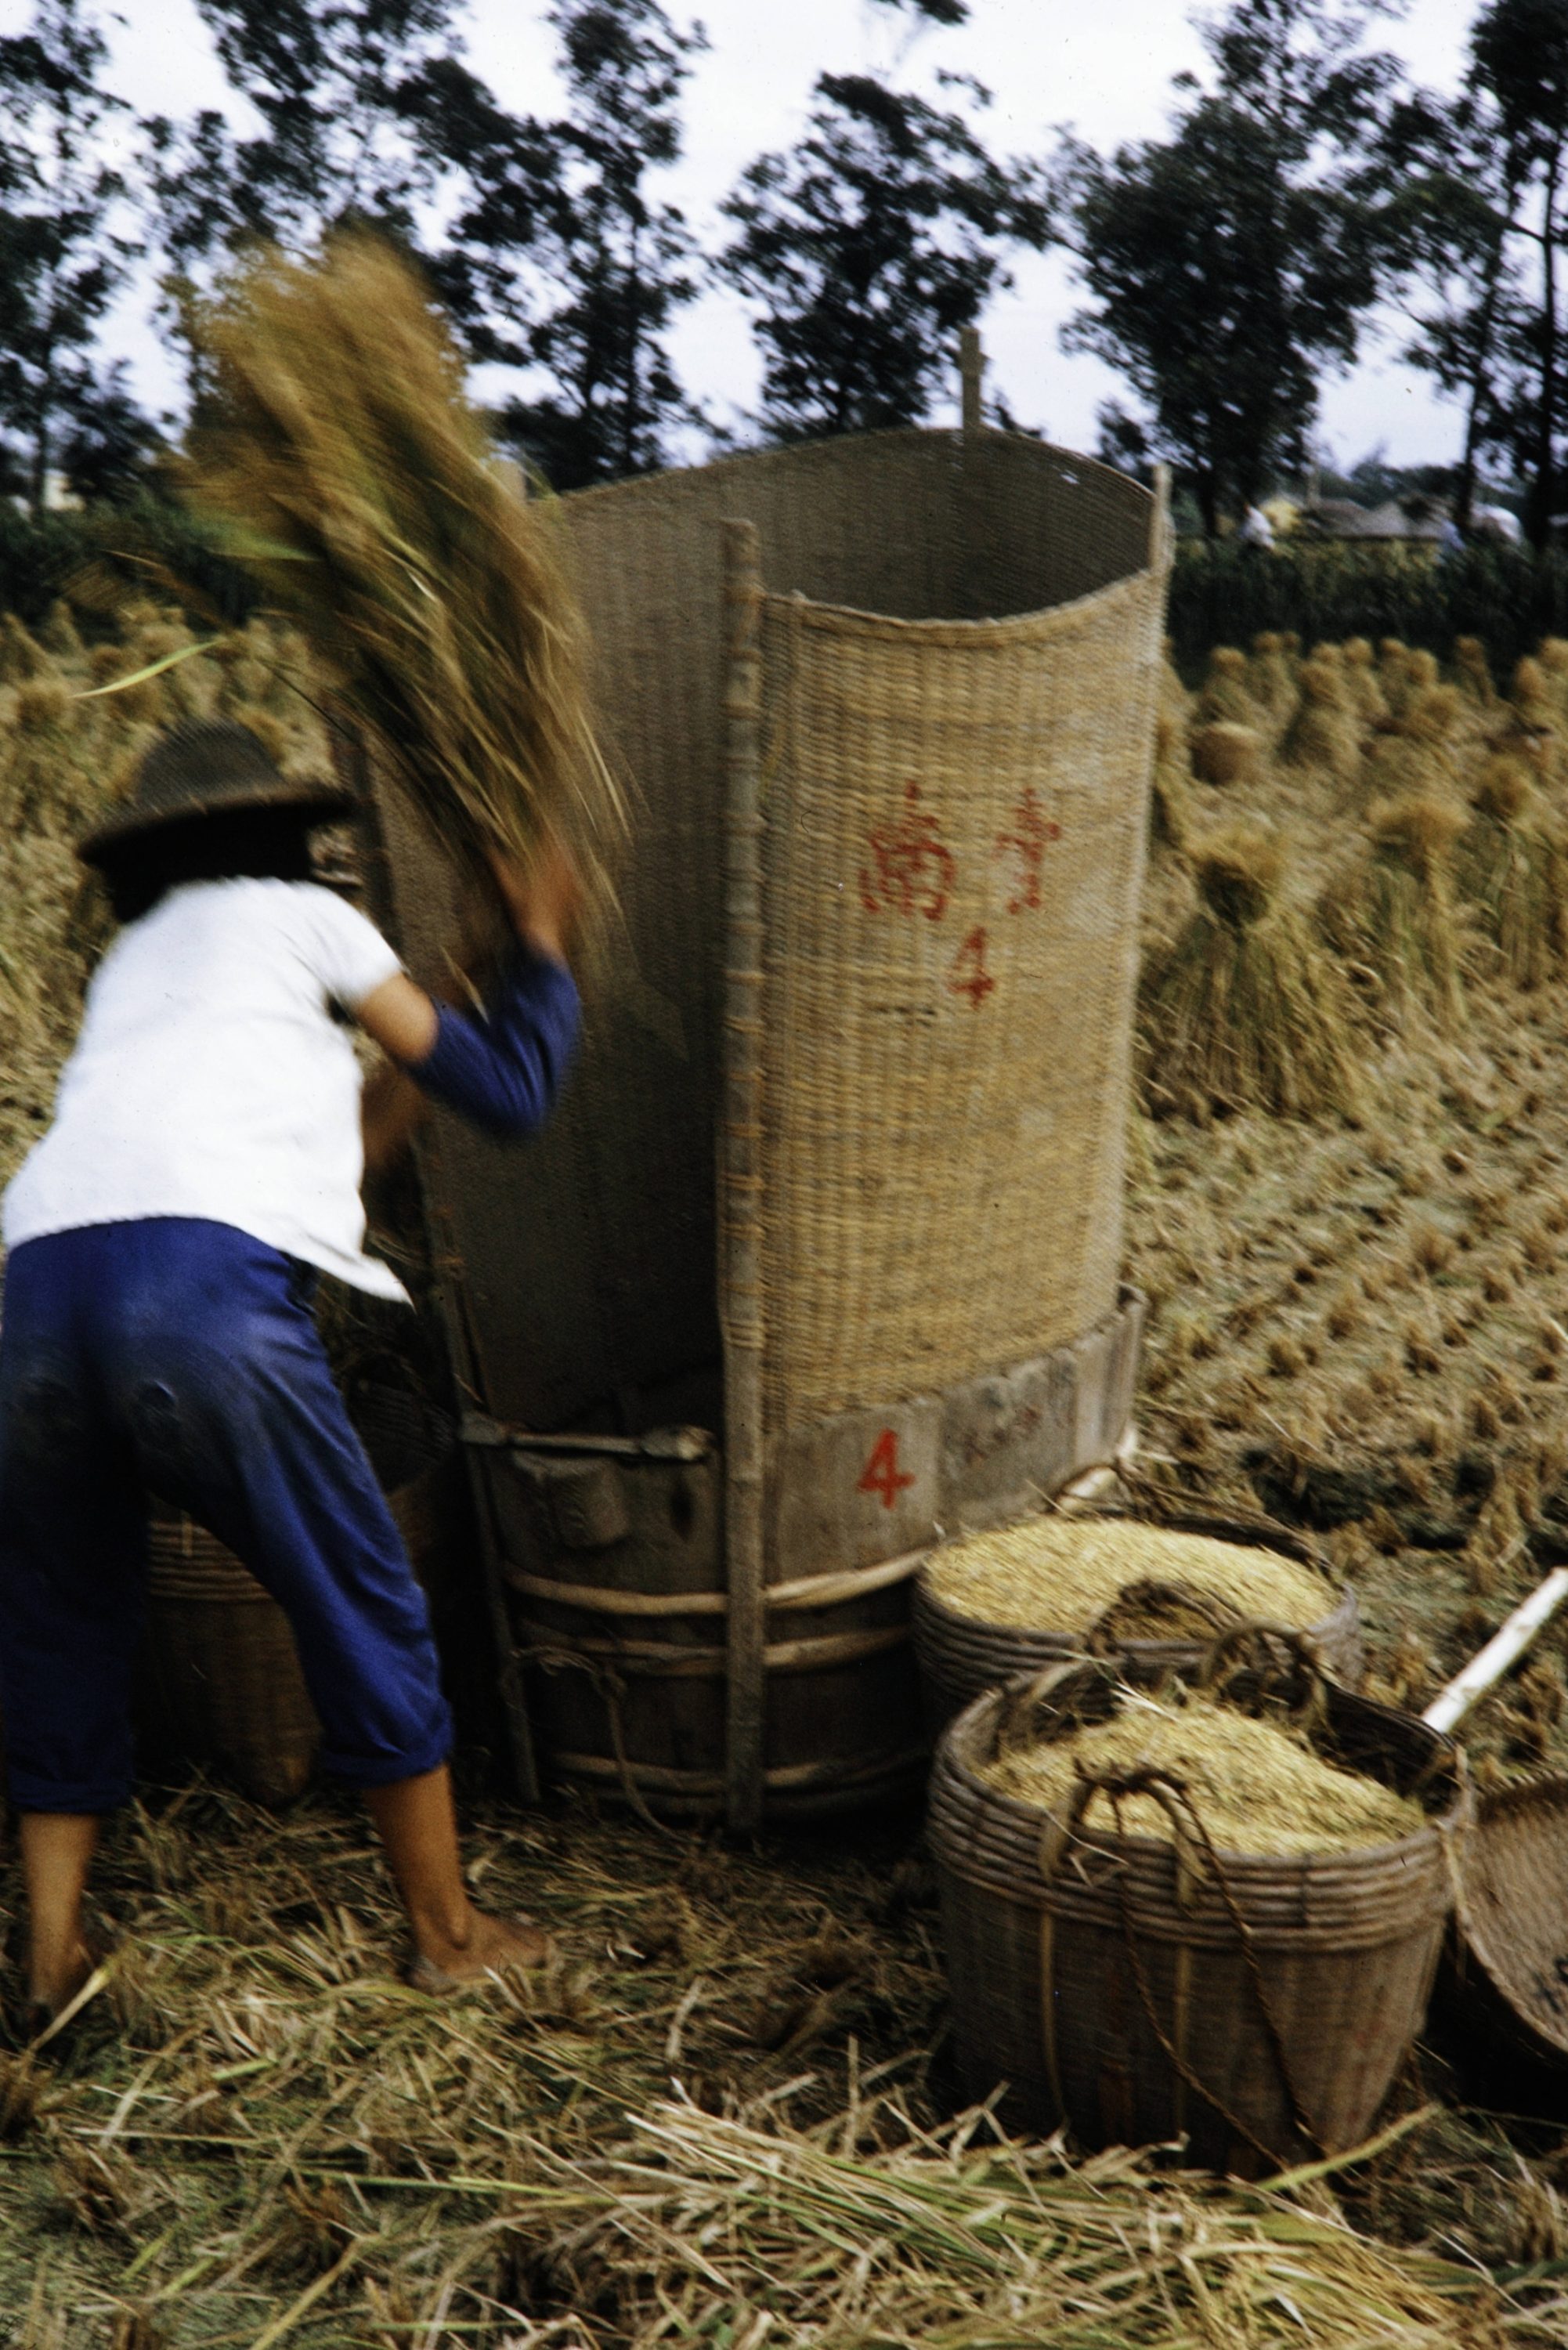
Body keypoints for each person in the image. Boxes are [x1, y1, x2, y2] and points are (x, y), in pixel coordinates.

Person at [0, 718, 582, 2024]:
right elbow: (518, 1096)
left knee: (62, 1611)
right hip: (195, 1299)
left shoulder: (134, 965)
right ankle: (444, 1931)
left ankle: (50, 1954)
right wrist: (541, 948)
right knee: (360, 1595)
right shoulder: (304, 915)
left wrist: (440, 1017)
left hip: (34, 1286)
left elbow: (330, 1149)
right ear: (285, 838)